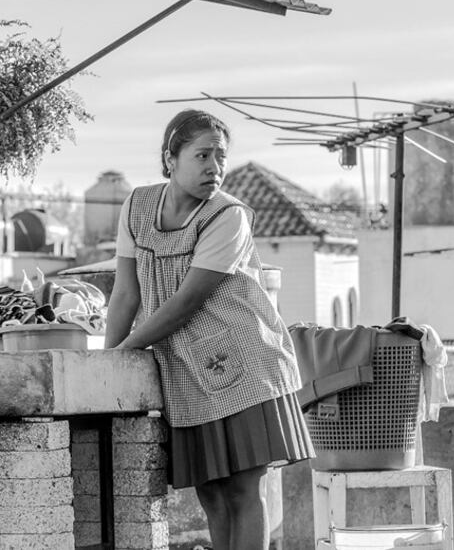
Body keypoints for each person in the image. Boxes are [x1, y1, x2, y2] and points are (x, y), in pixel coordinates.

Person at [105, 109, 313, 550]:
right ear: (170, 158)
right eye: (202, 155)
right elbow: (126, 294)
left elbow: (186, 302)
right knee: (212, 496)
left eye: (221, 157)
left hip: (244, 364)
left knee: (242, 490)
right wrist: (108, 365)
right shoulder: (137, 207)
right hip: (185, 371)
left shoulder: (228, 216)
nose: (214, 167)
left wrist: (127, 348)